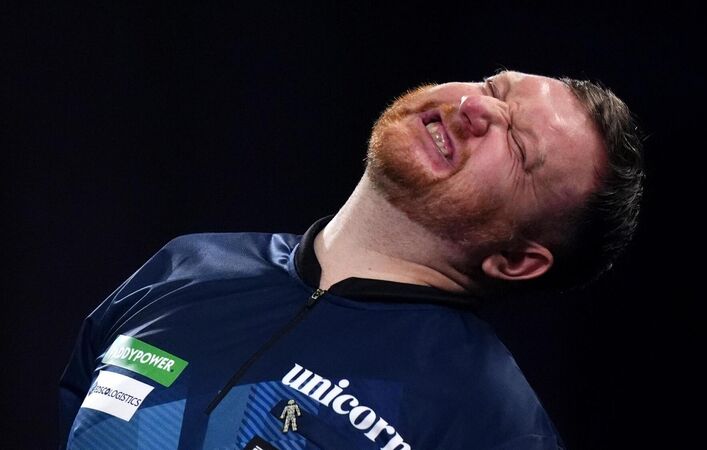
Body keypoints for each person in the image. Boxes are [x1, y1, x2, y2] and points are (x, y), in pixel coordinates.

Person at [59, 70, 643, 450]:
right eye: (494, 87)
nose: (475, 107)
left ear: (515, 261)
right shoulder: (189, 264)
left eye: (518, 146)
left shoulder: (493, 425)